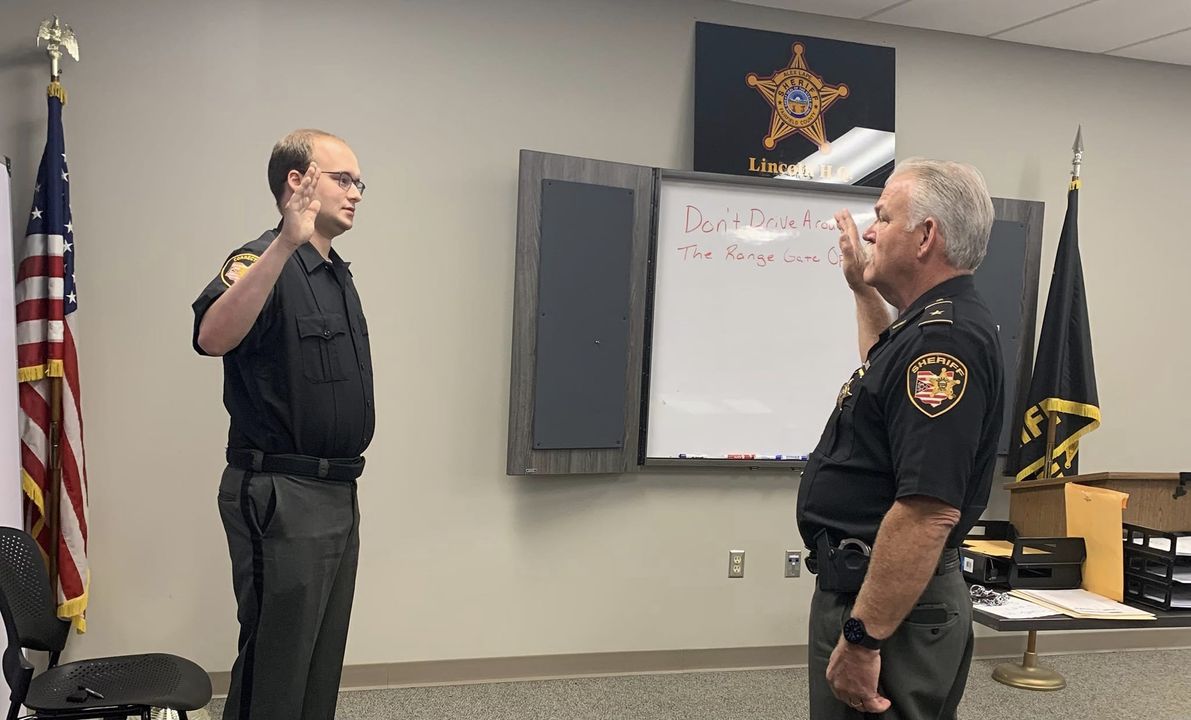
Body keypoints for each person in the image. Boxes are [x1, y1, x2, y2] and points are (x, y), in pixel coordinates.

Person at [796, 158, 1004, 719]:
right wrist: (862, 290)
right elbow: (879, 376)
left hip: (894, 612)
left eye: (883, 218)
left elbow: (926, 511)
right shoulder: (921, 327)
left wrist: (863, 638)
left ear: (926, 237)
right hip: (879, 593)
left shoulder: (945, 342)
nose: (868, 231)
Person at [192, 129, 373, 720]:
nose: (356, 193)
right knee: (277, 662)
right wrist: (282, 247)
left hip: (337, 491)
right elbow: (212, 337)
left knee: (318, 663)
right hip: (281, 493)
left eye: (359, 183)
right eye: (342, 179)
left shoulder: (336, 274)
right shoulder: (259, 258)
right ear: (297, 182)